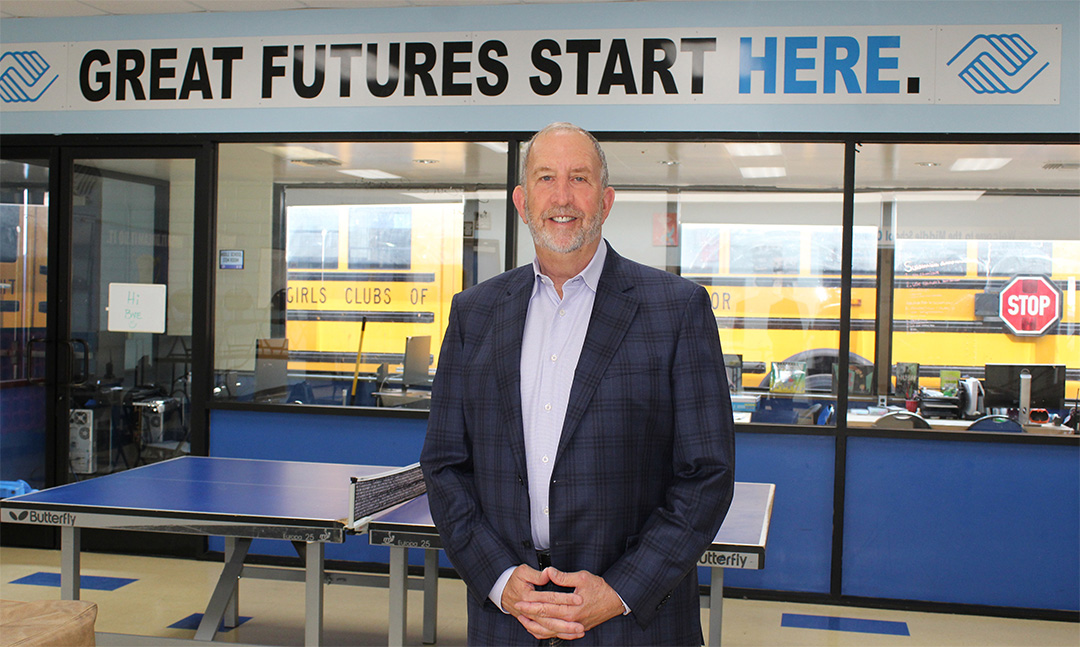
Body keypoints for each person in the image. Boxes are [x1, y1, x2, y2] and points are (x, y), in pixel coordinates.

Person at [420, 122, 735, 645]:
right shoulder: (473, 314)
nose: (561, 197)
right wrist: (500, 581)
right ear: (522, 201)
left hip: (634, 624)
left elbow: (707, 476)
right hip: (510, 621)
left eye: (579, 179)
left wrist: (617, 592)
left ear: (606, 200)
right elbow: (445, 465)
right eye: (546, 178)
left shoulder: (676, 310)